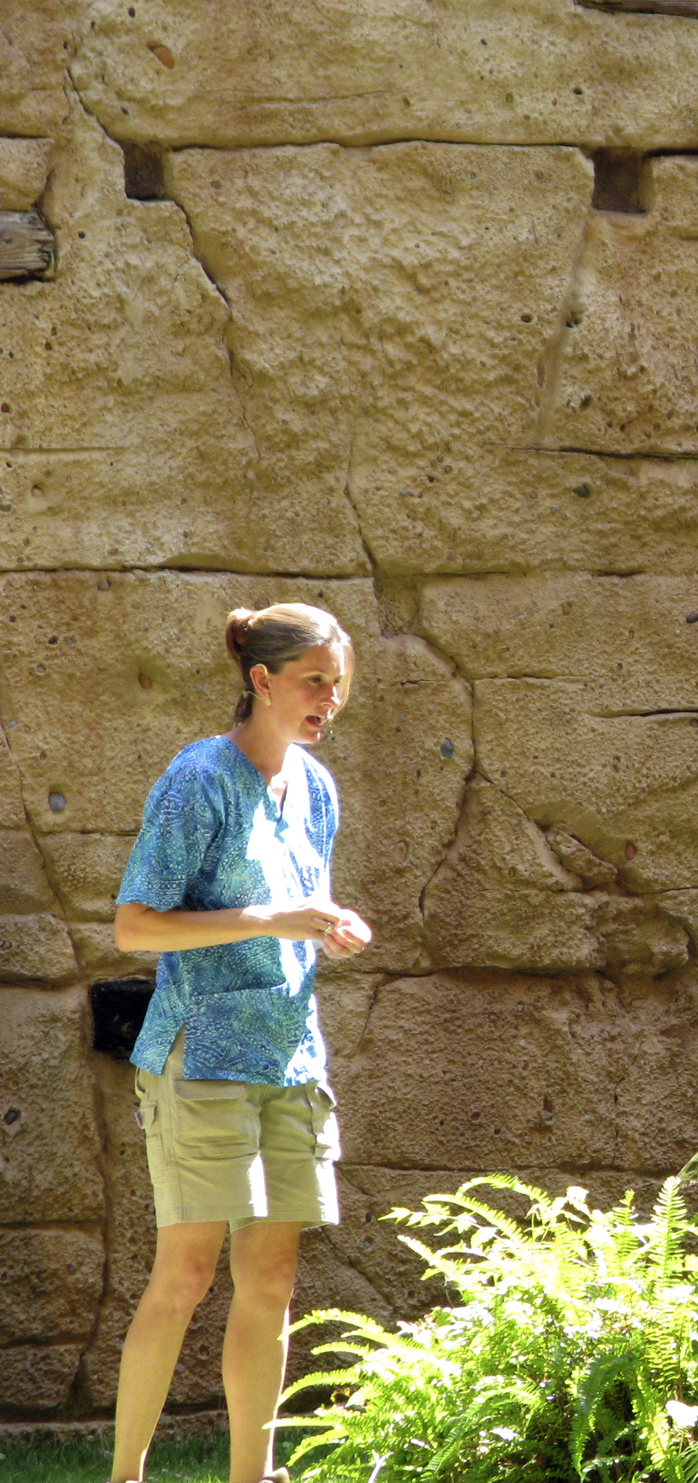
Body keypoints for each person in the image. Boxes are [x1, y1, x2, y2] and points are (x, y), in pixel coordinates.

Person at [108, 604, 373, 1483]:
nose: (328, 701)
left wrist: (325, 928)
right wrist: (275, 918)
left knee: (272, 1281)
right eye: (314, 682)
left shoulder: (320, 789)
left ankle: (250, 1477)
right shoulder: (198, 780)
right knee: (183, 1277)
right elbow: (135, 928)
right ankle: (125, 1478)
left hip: (291, 1058)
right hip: (201, 1056)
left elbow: (299, 915)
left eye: (338, 685)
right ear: (261, 681)